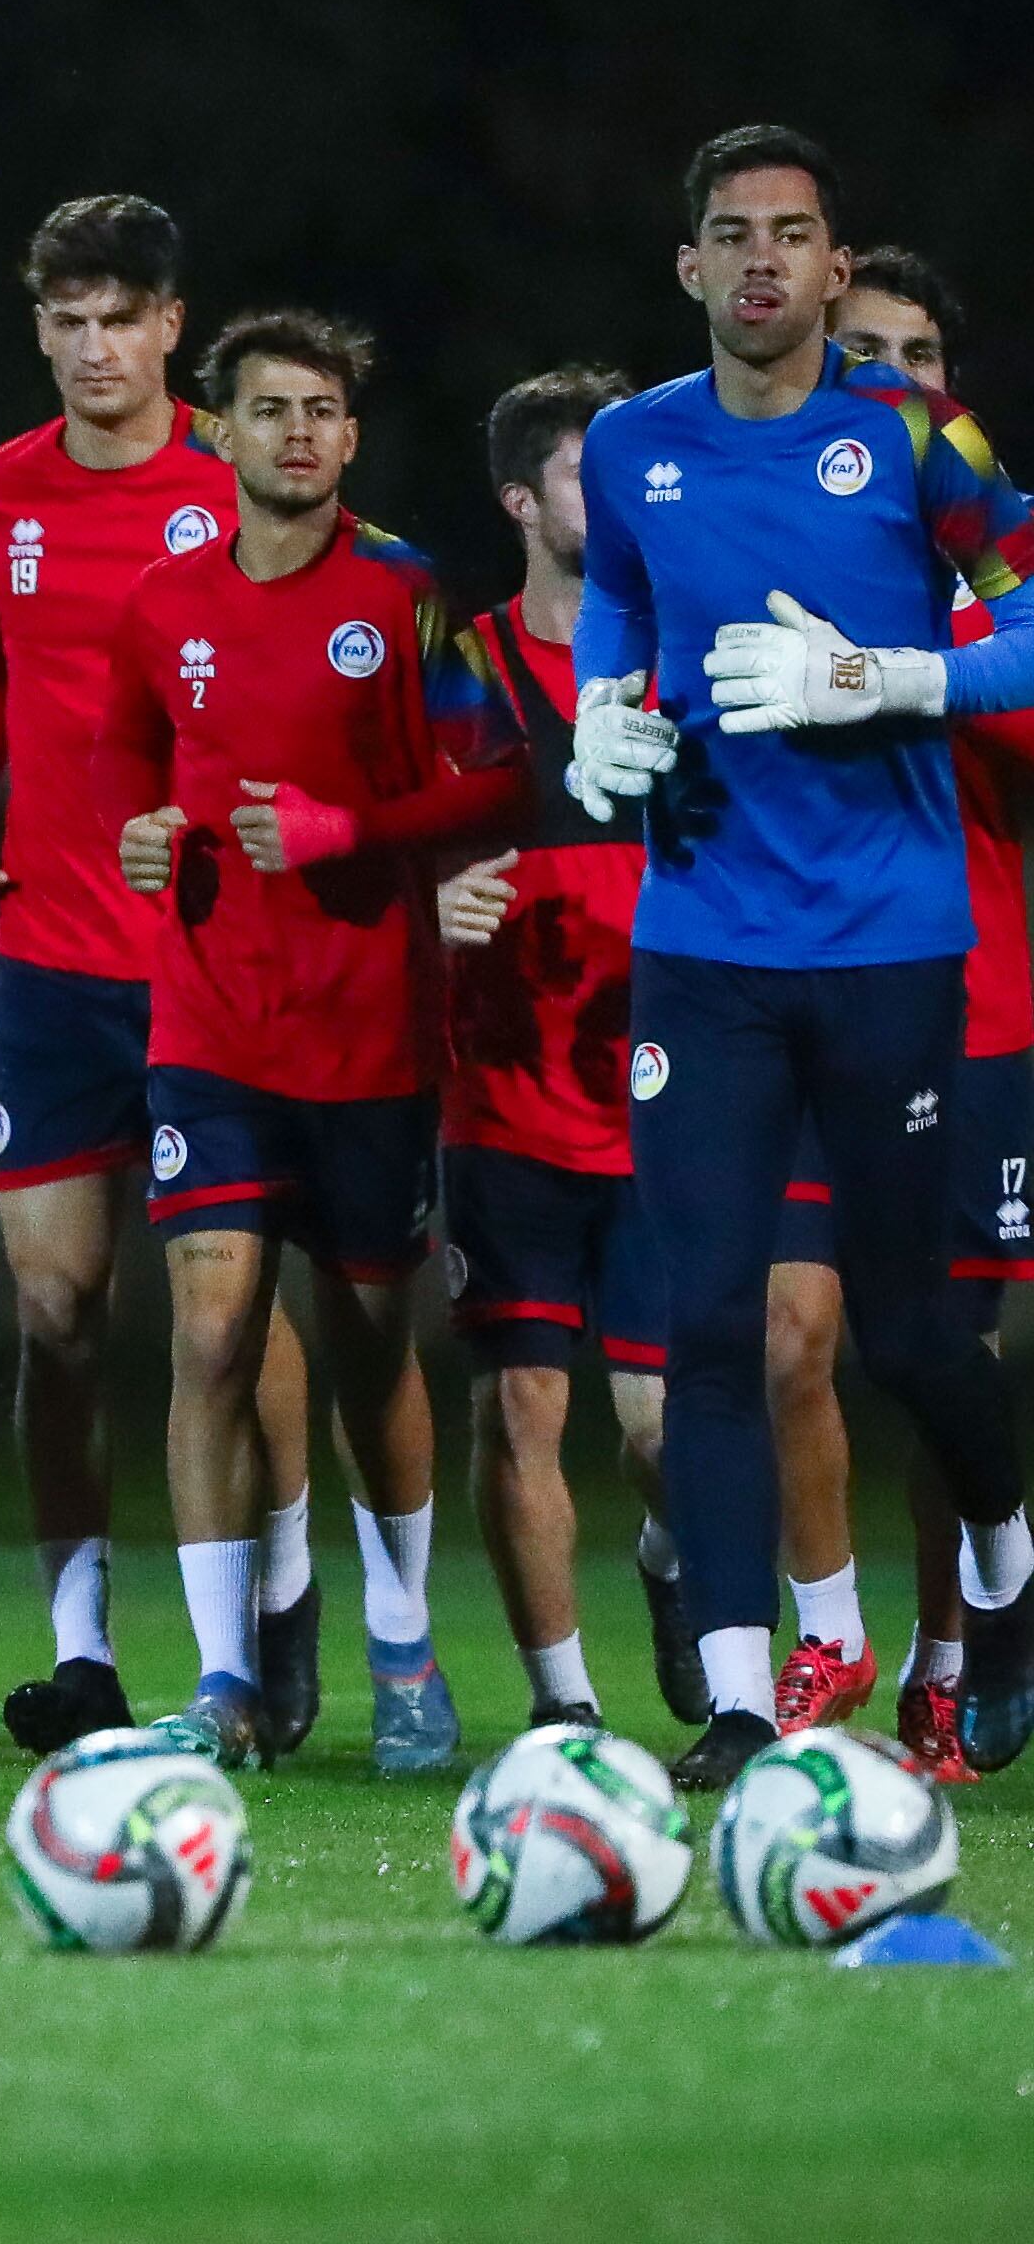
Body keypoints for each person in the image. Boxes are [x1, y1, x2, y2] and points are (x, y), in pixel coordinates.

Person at [568, 124, 1034, 1784]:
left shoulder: (914, 431)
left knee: (911, 1335)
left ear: (839, 272)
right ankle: (751, 1697)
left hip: (894, 947)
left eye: (795, 234)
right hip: (699, 944)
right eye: (731, 234)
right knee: (712, 1328)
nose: (763, 259)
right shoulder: (629, 447)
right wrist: (597, 719)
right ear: (689, 268)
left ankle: (1006, 1562)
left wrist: (900, 682)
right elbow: (618, 599)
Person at [98, 310, 520, 1775]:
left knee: (365, 1344)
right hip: (208, 1022)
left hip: (367, 1036)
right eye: (270, 407)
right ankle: (221, 1676)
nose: (296, 432)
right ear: (217, 431)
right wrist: (146, 837)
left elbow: (497, 784)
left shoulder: (404, 595)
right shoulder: (161, 603)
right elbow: (131, 771)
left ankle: (401, 1638)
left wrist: (358, 834)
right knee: (209, 1329)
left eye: (322, 410)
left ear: (349, 436)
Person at [0, 194, 316, 1757]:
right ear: (42, 329)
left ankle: (274, 1605)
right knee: (52, 1309)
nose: (95, 349)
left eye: (123, 320)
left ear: (173, 328)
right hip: (47, 963)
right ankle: (83, 1648)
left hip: (208, 964)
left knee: (223, 1316)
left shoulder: (238, 481)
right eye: (68, 321)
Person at [745, 245, 1034, 1780]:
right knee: (795, 1338)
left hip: (969, 1008)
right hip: (794, 993)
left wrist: (893, 676)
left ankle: (955, 1651)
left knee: (937, 1357)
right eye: (866, 353)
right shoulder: (770, 529)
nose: (892, 382)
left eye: (918, 358)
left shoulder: (992, 586)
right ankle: (831, 1641)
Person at [428, 367, 700, 1736]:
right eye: (600, 472)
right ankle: (565, 1713)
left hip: (663, 1103)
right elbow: (415, 833)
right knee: (522, 1407)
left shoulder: (683, 654)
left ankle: (669, 1563)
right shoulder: (467, 668)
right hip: (507, 1102)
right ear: (524, 501)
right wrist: (437, 901)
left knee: (659, 1433)